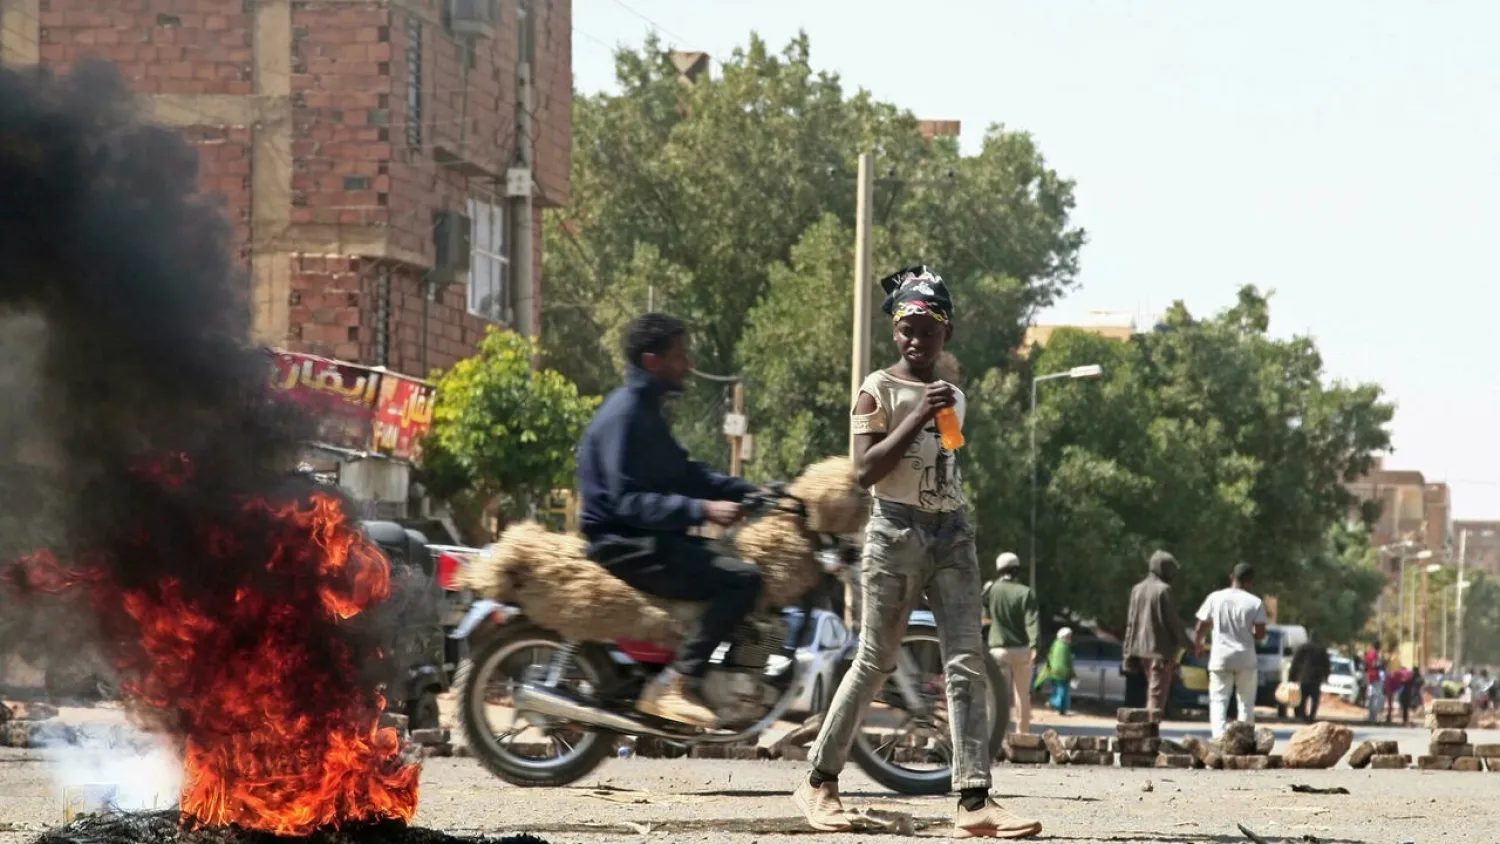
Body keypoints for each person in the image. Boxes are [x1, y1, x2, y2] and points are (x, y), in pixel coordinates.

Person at [793, 265, 1041, 839]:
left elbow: (945, 461)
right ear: (895, 331)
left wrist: (937, 415)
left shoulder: (954, 397)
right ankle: (819, 782)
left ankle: (974, 802)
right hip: (895, 533)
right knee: (876, 661)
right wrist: (917, 414)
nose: (917, 340)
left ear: (945, 334)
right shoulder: (877, 389)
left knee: (966, 663)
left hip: (951, 533)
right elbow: (865, 470)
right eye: (908, 329)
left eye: (929, 330)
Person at [574, 313, 763, 729]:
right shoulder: (627, 415)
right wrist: (702, 510)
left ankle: (726, 676)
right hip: (624, 545)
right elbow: (627, 502)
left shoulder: (646, 412)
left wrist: (748, 491)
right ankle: (674, 683)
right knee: (743, 580)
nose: (688, 365)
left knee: (741, 562)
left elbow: (685, 473)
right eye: (679, 356)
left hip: (647, 539)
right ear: (652, 361)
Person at [1194, 563, 1269, 739]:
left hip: (1220, 657)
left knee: (1219, 700)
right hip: (1245, 658)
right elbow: (1260, 634)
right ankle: (1244, 739)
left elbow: (1199, 627)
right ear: (1250, 582)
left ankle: (1219, 738)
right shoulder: (1255, 602)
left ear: (1231, 578)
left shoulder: (1215, 598)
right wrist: (1246, 634)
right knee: (1245, 702)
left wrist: (1198, 644)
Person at [1124, 550, 1193, 714]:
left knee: (1153, 690)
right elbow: (1174, 623)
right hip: (1160, 651)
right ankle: (1151, 726)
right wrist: (1190, 645)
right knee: (1157, 694)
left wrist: (1127, 653)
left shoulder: (1137, 589)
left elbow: (1131, 624)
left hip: (1141, 649)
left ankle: (1150, 724)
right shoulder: (1164, 590)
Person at [986, 551, 1040, 735]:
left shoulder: (991, 590)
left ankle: (995, 733)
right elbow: (1032, 622)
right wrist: (1034, 645)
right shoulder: (1026, 593)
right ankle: (1022, 734)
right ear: (1017, 570)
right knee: (1022, 695)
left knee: (996, 696)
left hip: (997, 650)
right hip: (1022, 650)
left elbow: (984, 617)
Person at [1289, 633, 1331, 722]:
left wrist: (1291, 677)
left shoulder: (1302, 648)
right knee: (1315, 699)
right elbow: (1326, 664)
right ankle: (1311, 716)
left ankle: (1302, 715)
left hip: (1303, 677)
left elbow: (1295, 662)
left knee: (1302, 698)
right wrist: (1326, 676)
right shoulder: (1321, 649)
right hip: (1316, 678)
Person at [1035, 628, 1076, 715]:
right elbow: (1066, 663)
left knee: (1059, 691)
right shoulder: (1064, 647)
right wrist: (1072, 674)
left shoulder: (1055, 645)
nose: (1070, 639)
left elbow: (1050, 658)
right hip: (1062, 674)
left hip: (1053, 673)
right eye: (1068, 637)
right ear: (1063, 637)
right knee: (1062, 692)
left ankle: (1062, 710)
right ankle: (1053, 703)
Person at [1362, 640, 1383, 721]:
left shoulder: (1369, 654)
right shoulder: (1374, 654)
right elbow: (1375, 664)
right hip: (1374, 677)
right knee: (1375, 697)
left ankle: (1371, 716)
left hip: (1370, 677)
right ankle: (1373, 716)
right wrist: (1381, 664)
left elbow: (1366, 666)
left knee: (1371, 697)